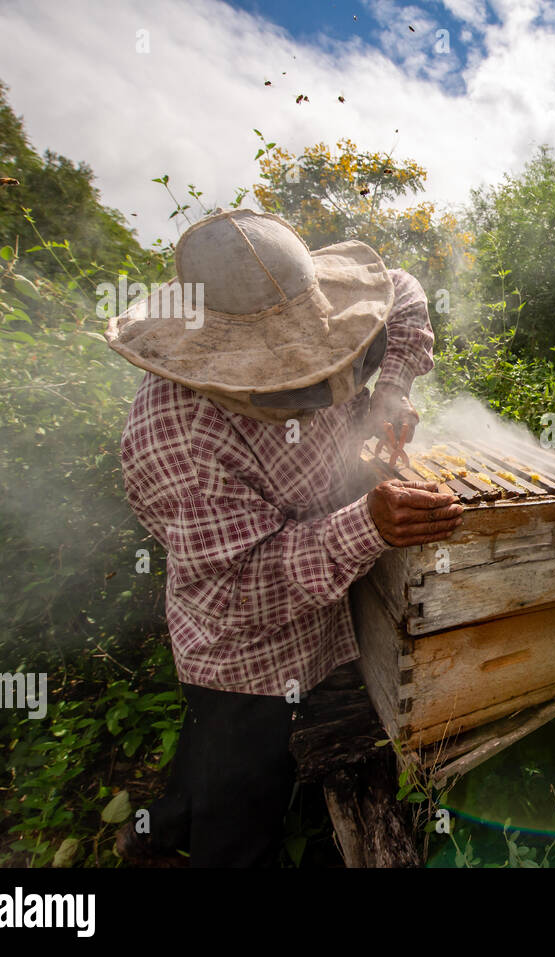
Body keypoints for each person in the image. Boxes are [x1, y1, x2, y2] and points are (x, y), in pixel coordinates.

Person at [104, 209, 463, 866]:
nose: (319, 392)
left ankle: (160, 826)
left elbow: (405, 294)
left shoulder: (321, 294)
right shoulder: (176, 438)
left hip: (326, 607)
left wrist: (391, 394)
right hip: (245, 655)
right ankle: (184, 836)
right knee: (239, 793)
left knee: (213, 755)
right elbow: (243, 589)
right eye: (292, 376)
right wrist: (366, 525)